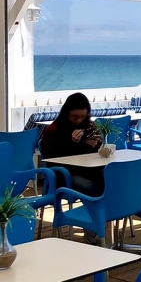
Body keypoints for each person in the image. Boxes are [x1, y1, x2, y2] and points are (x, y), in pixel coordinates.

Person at [40, 93, 104, 243]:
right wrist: (70, 142)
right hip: (63, 175)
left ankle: (101, 223)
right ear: (66, 112)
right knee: (92, 188)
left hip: (87, 170)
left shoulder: (88, 126)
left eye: (82, 116)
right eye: (75, 116)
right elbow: (51, 158)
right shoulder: (54, 129)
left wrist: (94, 145)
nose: (79, 120)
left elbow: (90, 154)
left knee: (109, 181)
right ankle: (93, 226)